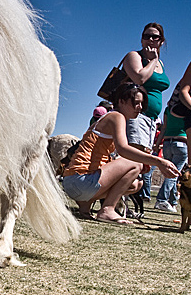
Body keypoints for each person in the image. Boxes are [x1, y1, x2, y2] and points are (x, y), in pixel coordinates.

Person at [62, 81, 180, 224]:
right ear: (121, 101)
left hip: (74, 183)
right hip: (80, 180)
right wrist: (159, 161)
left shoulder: (110, 118)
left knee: (135, 185)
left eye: (142, 103)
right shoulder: (116, 116)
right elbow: (124, 149)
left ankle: (85, 206)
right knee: (135, 164)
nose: (140, 107)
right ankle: (107, 210)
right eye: (135, 102)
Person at [121, 23, 170, 214]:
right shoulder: (135, 56)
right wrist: (151, 60)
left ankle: (120, 203)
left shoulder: (161, 64)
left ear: (161, 41)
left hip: (151, 120)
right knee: (132, 161)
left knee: (141, 166)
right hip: (136, 115)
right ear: (141, 39)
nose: (150, 40)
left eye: (155, 37)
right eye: (147, 36)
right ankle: (113, 204)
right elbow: (139, 78)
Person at [153, 108, 188, 212]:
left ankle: (172, 201)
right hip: (181, 141)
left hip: (167, 143)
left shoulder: (169, 109)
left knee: (169, 173)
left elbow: (164, 128)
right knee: (173, 174)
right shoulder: (189, 109)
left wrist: (158, 143)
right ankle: (161, 199)